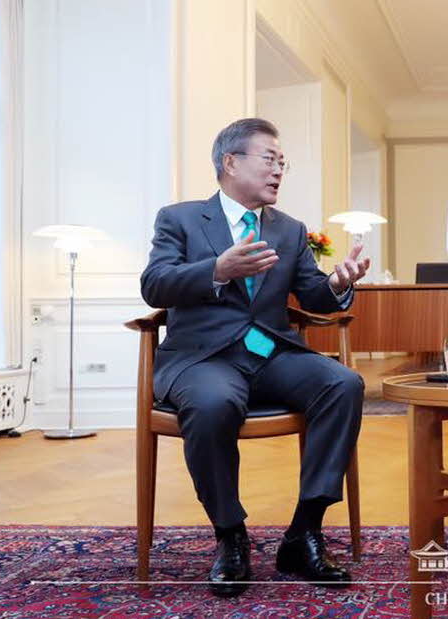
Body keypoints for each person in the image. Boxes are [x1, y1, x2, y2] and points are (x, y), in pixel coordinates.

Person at [140, 118, 370, 597]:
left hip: (269, 353)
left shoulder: (289, 230)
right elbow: (154, 284)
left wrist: (338, 283)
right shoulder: (180, 218)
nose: (278, 170)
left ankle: (304, 532)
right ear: (230, 162)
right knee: (211, 404)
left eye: (282, 162)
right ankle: (230, 534)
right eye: (269, 159)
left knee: (343, 383)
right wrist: (217, 269)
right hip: (203, 359)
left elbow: (311, 293)